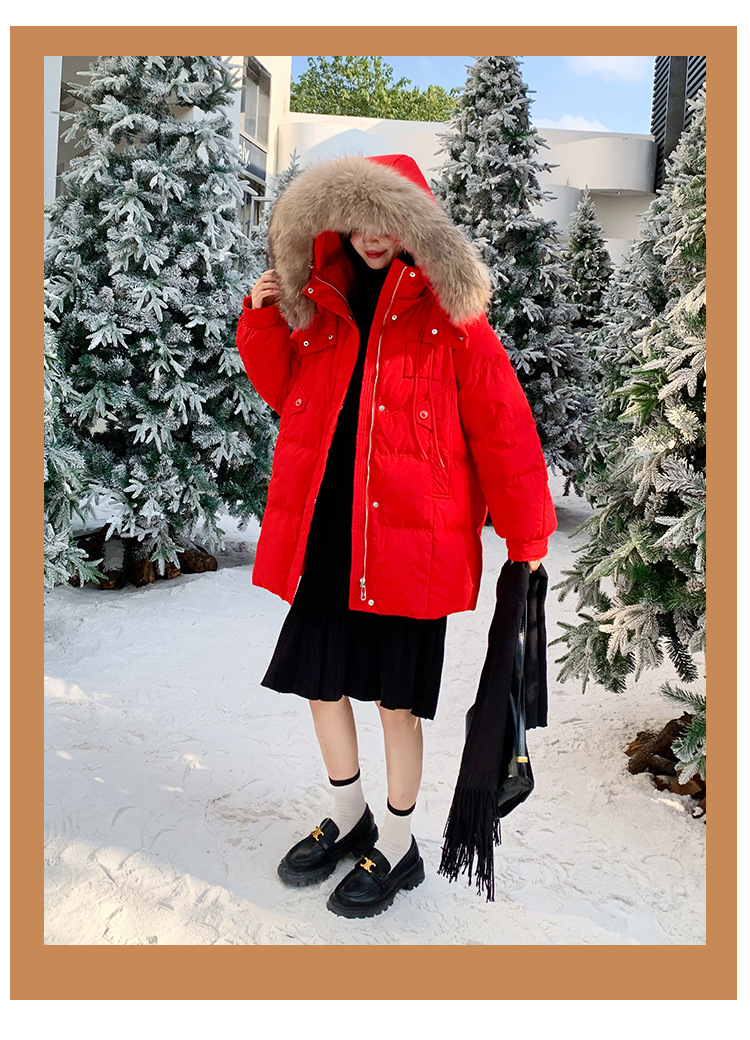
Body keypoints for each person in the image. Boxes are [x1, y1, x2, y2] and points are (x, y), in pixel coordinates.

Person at [236, 153, 556, 919]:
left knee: (395, 706)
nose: (372, 237)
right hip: (331, 538)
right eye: (358, 222)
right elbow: (288, 394)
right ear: (338, 227)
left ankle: (400, 842)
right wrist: (263, 317)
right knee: (320, 684)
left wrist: (527, 533)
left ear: (414, 224)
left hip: (412, 547)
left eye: (388, 221)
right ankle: (350, 818)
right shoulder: (320, 304)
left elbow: (503, 425)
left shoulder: (451, 315)